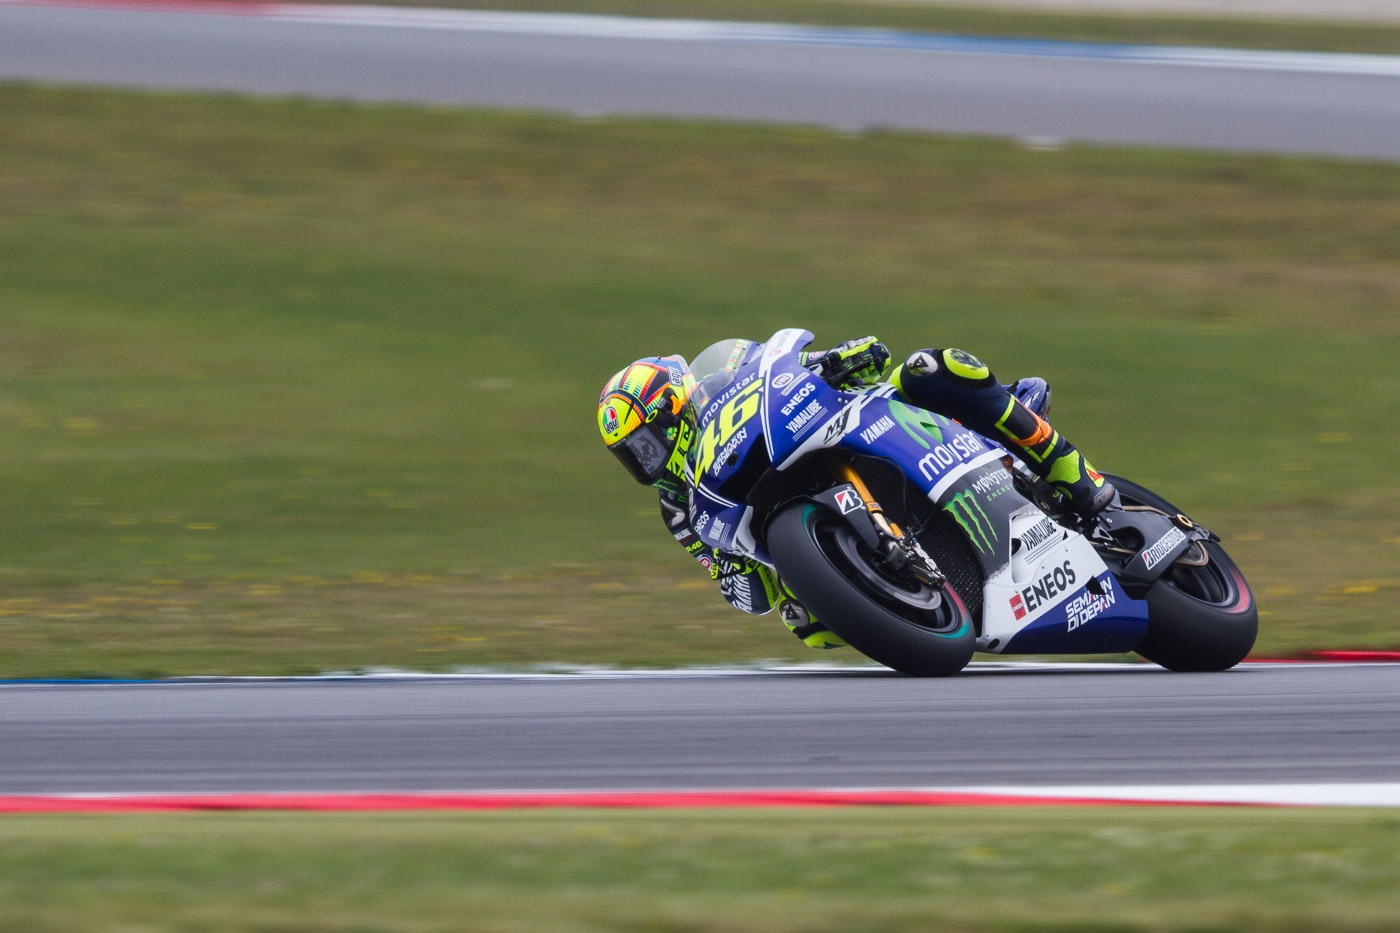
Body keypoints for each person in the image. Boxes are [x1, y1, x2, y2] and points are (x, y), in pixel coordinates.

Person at [596, 336, 1116, 650]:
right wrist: (735, 573)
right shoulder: (679, 509)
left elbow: (791, 369)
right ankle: (906, 592)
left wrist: (842, 357)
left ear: (674, 410)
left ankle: (1068, 469)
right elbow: (745, 591)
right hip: (788, 532)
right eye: (632, 457)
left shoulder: (725, 375)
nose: (646, 462)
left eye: (646, 444)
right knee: (808, 626)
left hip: (841, 422)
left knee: (933, 367)